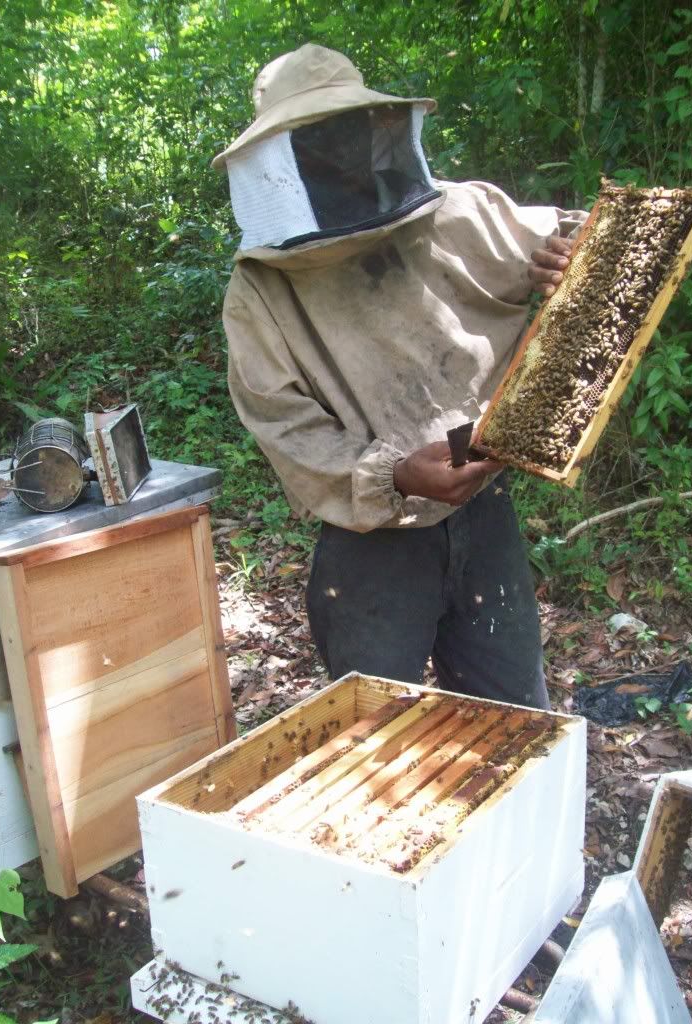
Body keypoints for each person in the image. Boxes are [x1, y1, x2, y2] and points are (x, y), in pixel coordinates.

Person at [216, 44, 587, 710]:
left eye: (345, 126)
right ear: (280, 157)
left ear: (375, 127)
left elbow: (565, 240)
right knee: (374, 735)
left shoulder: (459, 210)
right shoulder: (259, 290)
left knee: (514, 719)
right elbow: (284, 425)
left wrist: (565, 258)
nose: (336, 147)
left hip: (485, 513)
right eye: (314, 136)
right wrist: (391, 473)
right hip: (372, 549)